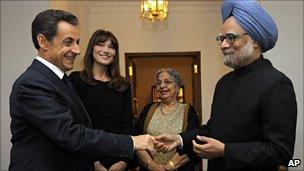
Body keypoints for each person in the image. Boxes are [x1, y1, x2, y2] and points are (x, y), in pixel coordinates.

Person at [155, 1, 297, 171]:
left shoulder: (276, 83)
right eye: (221, 38)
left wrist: (225, 150)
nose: (222, 45)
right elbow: (212, 129)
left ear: (255, 41)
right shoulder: (223, 83)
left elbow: (280, 152)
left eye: (231, 37)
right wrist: (179, 139)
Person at [9, 9, 155, 171]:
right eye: (68, 42)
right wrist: (132, 142)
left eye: (77, 42)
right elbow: (71, 135)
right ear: (43, 42)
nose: (77, 50)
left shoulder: (60, 80)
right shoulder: (32, 84)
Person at [69, 29, 138, 171]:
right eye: (101, 44)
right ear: (91, 48)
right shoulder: (76, 80)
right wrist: (95, 163)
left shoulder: (123, 85)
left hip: (118, 158)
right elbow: (76, 124)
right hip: (86, 158)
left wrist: (123, 161)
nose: (106, 50)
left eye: (111, 47)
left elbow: (127, 125)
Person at [136, 68, 200, 171]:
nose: (162, 86)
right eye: (159, 83)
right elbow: (137, 140)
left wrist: (168, 167)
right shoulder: (148, 109)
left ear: (177, 87)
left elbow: (192, 144)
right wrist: (152, 166)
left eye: (168, 82)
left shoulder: (188, 111)